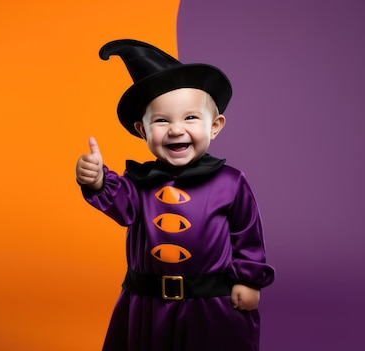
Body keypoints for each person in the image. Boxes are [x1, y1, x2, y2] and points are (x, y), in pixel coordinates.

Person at [76, 39, 275, 351]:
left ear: (215, 126)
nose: (176, 130)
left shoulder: (230, 182)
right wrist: (98, 180)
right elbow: (121, 208)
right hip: (147, 304)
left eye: (190, 118)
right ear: (142, 130)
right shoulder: (137, 182)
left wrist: (248, 280)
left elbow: (247, 235)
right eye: (161, 120)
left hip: (211, 303)